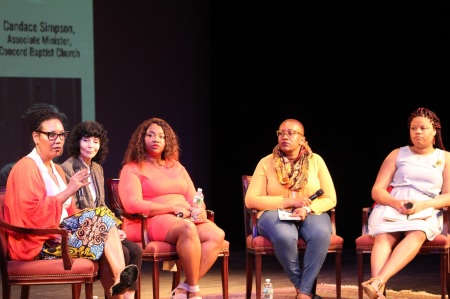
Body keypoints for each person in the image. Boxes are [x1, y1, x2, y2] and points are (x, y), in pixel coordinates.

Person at [4, 109, 138, 298]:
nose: (58, 140)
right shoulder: (25, 167)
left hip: (62, 235)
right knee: (106, 226)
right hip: (41, 243)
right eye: (51, 135)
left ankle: (120, 282)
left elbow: (70, 213)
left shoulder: (56, 169)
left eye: (61, 135)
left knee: (108, 226)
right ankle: (123, 285)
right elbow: (30, 214)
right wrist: (69, 190)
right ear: (35, 137)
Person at [118, 117, 225, 299]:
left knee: (217, 234)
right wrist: (171, 208)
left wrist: (199, 207)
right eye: (150, 135)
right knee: (187, 228)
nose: (156, 139)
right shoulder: (132, 168)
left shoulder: (176, 166)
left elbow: (193, 197)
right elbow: (132, 205)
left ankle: (183, 288)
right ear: (141, 139)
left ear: (167, 141)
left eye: (161, 136)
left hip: (183, 216)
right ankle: (194, 291)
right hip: (150, 219)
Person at [362, 107, 450, 299]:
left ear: (434, 130)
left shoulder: (444, 158)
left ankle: (377, 282)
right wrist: (394, 202)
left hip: (426, 207)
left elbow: (449, 195)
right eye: (413, 128)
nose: (417, 132)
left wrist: (423, 205)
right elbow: (377, 190)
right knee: (384, 236)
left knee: (417, 232)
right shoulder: (397, 154)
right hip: (393, 204)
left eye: (423, 128)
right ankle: (378, 291)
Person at [245, 118, 337, 299]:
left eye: (290, 133)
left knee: (320, 234)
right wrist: (288, 202)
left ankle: (303, 294)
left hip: (309, 212)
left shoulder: (316, 161)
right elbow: (251, 200)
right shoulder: (266, 162)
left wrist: (307, 209)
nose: (284, 136)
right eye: (281, 133)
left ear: (303, 139)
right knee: (285, 236)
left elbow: (330, 198)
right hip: (273, 214)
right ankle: (304, 288)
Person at [61, 121, 143, 299]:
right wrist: (105, 226)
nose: (91, 145)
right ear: (77, 142)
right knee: (125, 252)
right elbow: (71, 208)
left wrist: (115, 227)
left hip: (103, 226)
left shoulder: (97, 168)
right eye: (86, 140)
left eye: (96, 141)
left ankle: (126, 296)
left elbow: (102, 205)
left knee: (135, 250)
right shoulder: (66, 168)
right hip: (83, 229)